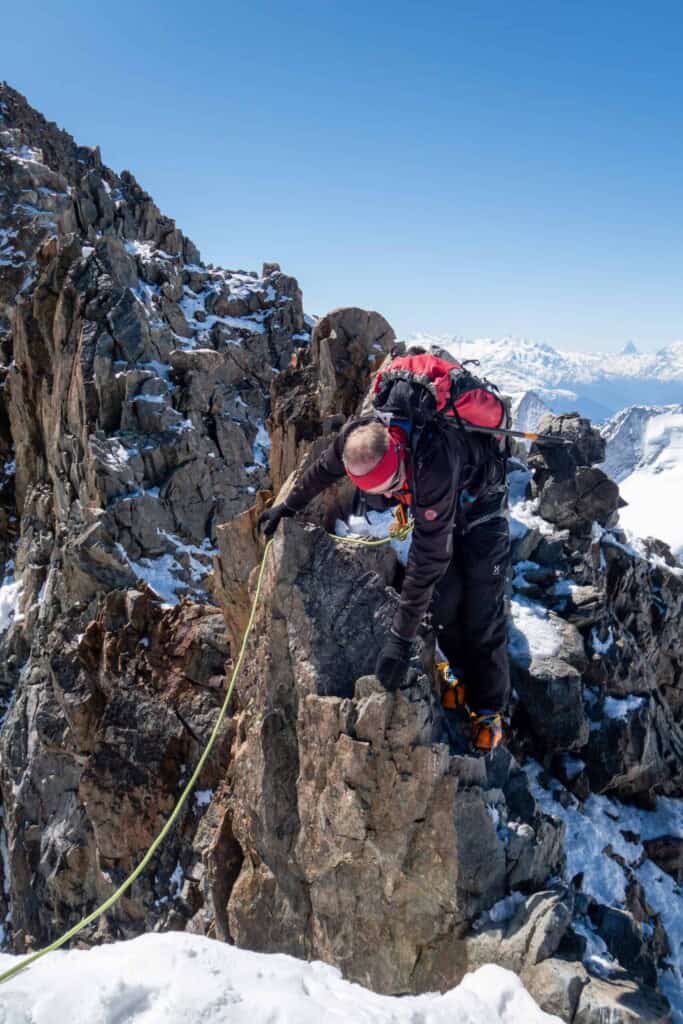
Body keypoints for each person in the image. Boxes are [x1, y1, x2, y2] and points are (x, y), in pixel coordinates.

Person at [258, 403, 510, 754]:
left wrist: (400, 639)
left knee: (483, 609)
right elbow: (321, 471)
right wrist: (289, 506)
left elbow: (428, 561)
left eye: (393, 485)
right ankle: (455, 674)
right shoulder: (356, 439)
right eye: (380, 491)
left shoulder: (430, 462)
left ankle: (488, 709)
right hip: (440, 510)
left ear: (396, 453)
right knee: (446, 601)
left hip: (481, 509)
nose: (391, 496)